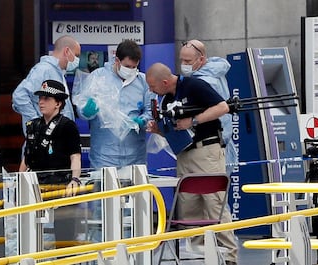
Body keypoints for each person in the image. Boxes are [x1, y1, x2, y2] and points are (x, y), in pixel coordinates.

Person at [146, 63, 238, 265]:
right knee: (189, 206)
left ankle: (230, 256)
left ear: (164, 81)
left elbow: (222, 107)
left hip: (206, 150)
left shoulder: (194, 86)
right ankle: (201, 254)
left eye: (153, 86)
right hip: (184, 154)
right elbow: (173, 129)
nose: (151, 90)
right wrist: (157, 130)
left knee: (214, 203)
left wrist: (193, 121)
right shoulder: (165, 100)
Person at [19, 79, 82, 247]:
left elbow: (75, 156)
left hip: (62, 185)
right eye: (40, 98)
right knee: (29, 233)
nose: (41, 102)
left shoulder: (67, 126)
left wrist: (75, 180)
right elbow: (27, 157)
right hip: (37, 186)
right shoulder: (34, 125)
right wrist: (19, 181)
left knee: (65, 236)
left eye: (46, 99)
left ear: (58, 103)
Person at [73, 39, 155, 169]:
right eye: (127, 67)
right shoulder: (98, 78)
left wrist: (142, 121)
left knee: (136, 189)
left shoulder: (143, 82)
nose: (131, 70)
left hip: (135, 157)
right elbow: (81, 109)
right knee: (105, 188)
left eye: (135, 67)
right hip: (104, 156)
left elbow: (151, 112)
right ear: (117, 60)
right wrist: (86, 111)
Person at [179, 39, 237, 176]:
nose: (183, 65)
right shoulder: (216, 70)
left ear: (201, 59)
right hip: (222, 144)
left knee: (212, 193)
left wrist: (191, 121)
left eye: (187, 61)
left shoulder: (204, 81)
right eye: (182, 60)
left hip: (211, 145)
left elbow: (218, 111)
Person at [12, 35, 81, 135]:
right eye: (77, 55)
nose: (77, 60)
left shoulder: (57, 73)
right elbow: (19, 96)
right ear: (67, 51)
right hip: (44, 142)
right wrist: (36, 122)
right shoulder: (44, 70)